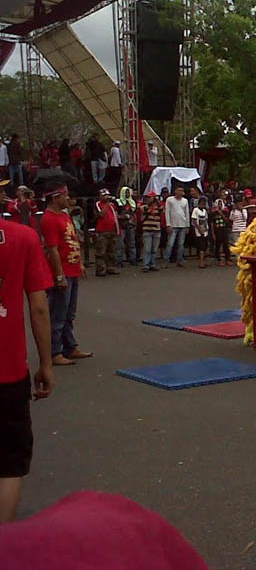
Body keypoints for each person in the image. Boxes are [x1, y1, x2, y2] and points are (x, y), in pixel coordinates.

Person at [0, 204, 54, 522]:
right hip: (7, 372)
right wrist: (46, 363)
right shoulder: (23, 237)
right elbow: (39, 307)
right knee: (7, 466)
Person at [41, 182, 92, 366]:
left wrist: (79, 263)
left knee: (69, 312)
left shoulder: (64, 215)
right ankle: (55, 352)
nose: (68, 198)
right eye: (64, 195)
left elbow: (72, 240)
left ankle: (70, 346)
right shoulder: (49, 219)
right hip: (62, 272)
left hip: (72, 269)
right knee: (58, 314)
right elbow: (53, 249)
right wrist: (59, 275)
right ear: (55, 198)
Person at [93, 189, 120, 277]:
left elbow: (115, 215)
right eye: (104, 195)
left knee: (112, 251)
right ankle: (101, 269)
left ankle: (111, 267)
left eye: (107, 195)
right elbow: (101, 214)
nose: (106, 197)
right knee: (101, 251)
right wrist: (107, 205)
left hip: (112, 230)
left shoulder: (112, 205)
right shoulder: (98, 204)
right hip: (102, 231)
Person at [163, 186, 190, 268]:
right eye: (179, 190)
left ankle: (180, 260)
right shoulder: (170, 200)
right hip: (173, 225)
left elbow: (187, 213)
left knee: (181, 244)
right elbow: (167, 212)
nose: (181, 192)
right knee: (170, 244)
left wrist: (187, 225)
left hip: (182, 224)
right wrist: (168, 224)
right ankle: (166, 261)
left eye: (182, 190)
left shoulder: (185, 201)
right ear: (175, 191)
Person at [140, 192, 162, 272]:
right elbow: (144, 210)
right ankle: (146, 265)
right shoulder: (144, 206)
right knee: (147, 249)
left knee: (154, 249)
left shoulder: (158, 207)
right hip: (147, 229)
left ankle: (152, 264)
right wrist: (150, 204)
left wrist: (157, 202)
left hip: (156, 229)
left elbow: (161, 210)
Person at [116, 187, 138, 266]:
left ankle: (132, 259)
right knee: (120, 244)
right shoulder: (118, 202)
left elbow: (134, 214)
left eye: (128, 192)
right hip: (121, 225)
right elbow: (116, 214)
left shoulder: (132, 202)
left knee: (132, 243)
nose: (127, 194)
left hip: (130, 224)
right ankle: (119, 260)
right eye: (126, 192)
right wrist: (122, 216)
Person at [210, 199, 231, 266]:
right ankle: (219, 260)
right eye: (218, 204)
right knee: (218, 244)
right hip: (217, 230)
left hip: (224, 229)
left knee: (225, 244)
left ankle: (227, 259)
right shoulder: (213, 213)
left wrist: (220, 213)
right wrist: (213, 233)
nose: (219, 205)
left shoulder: (225, 211)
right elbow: (212, 223)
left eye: (220, 204)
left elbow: (227, 220)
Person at [191, 196, 210, 268]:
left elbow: (206, 220)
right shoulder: (195, 210)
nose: (203, 205)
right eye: (202, 203)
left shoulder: (204, 211)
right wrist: (199, 230)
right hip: (199, 231)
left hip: (205, 230)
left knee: (205, 246)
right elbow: (194, 221)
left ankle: (204, 261)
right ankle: (201, 262)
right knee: (201, 247)